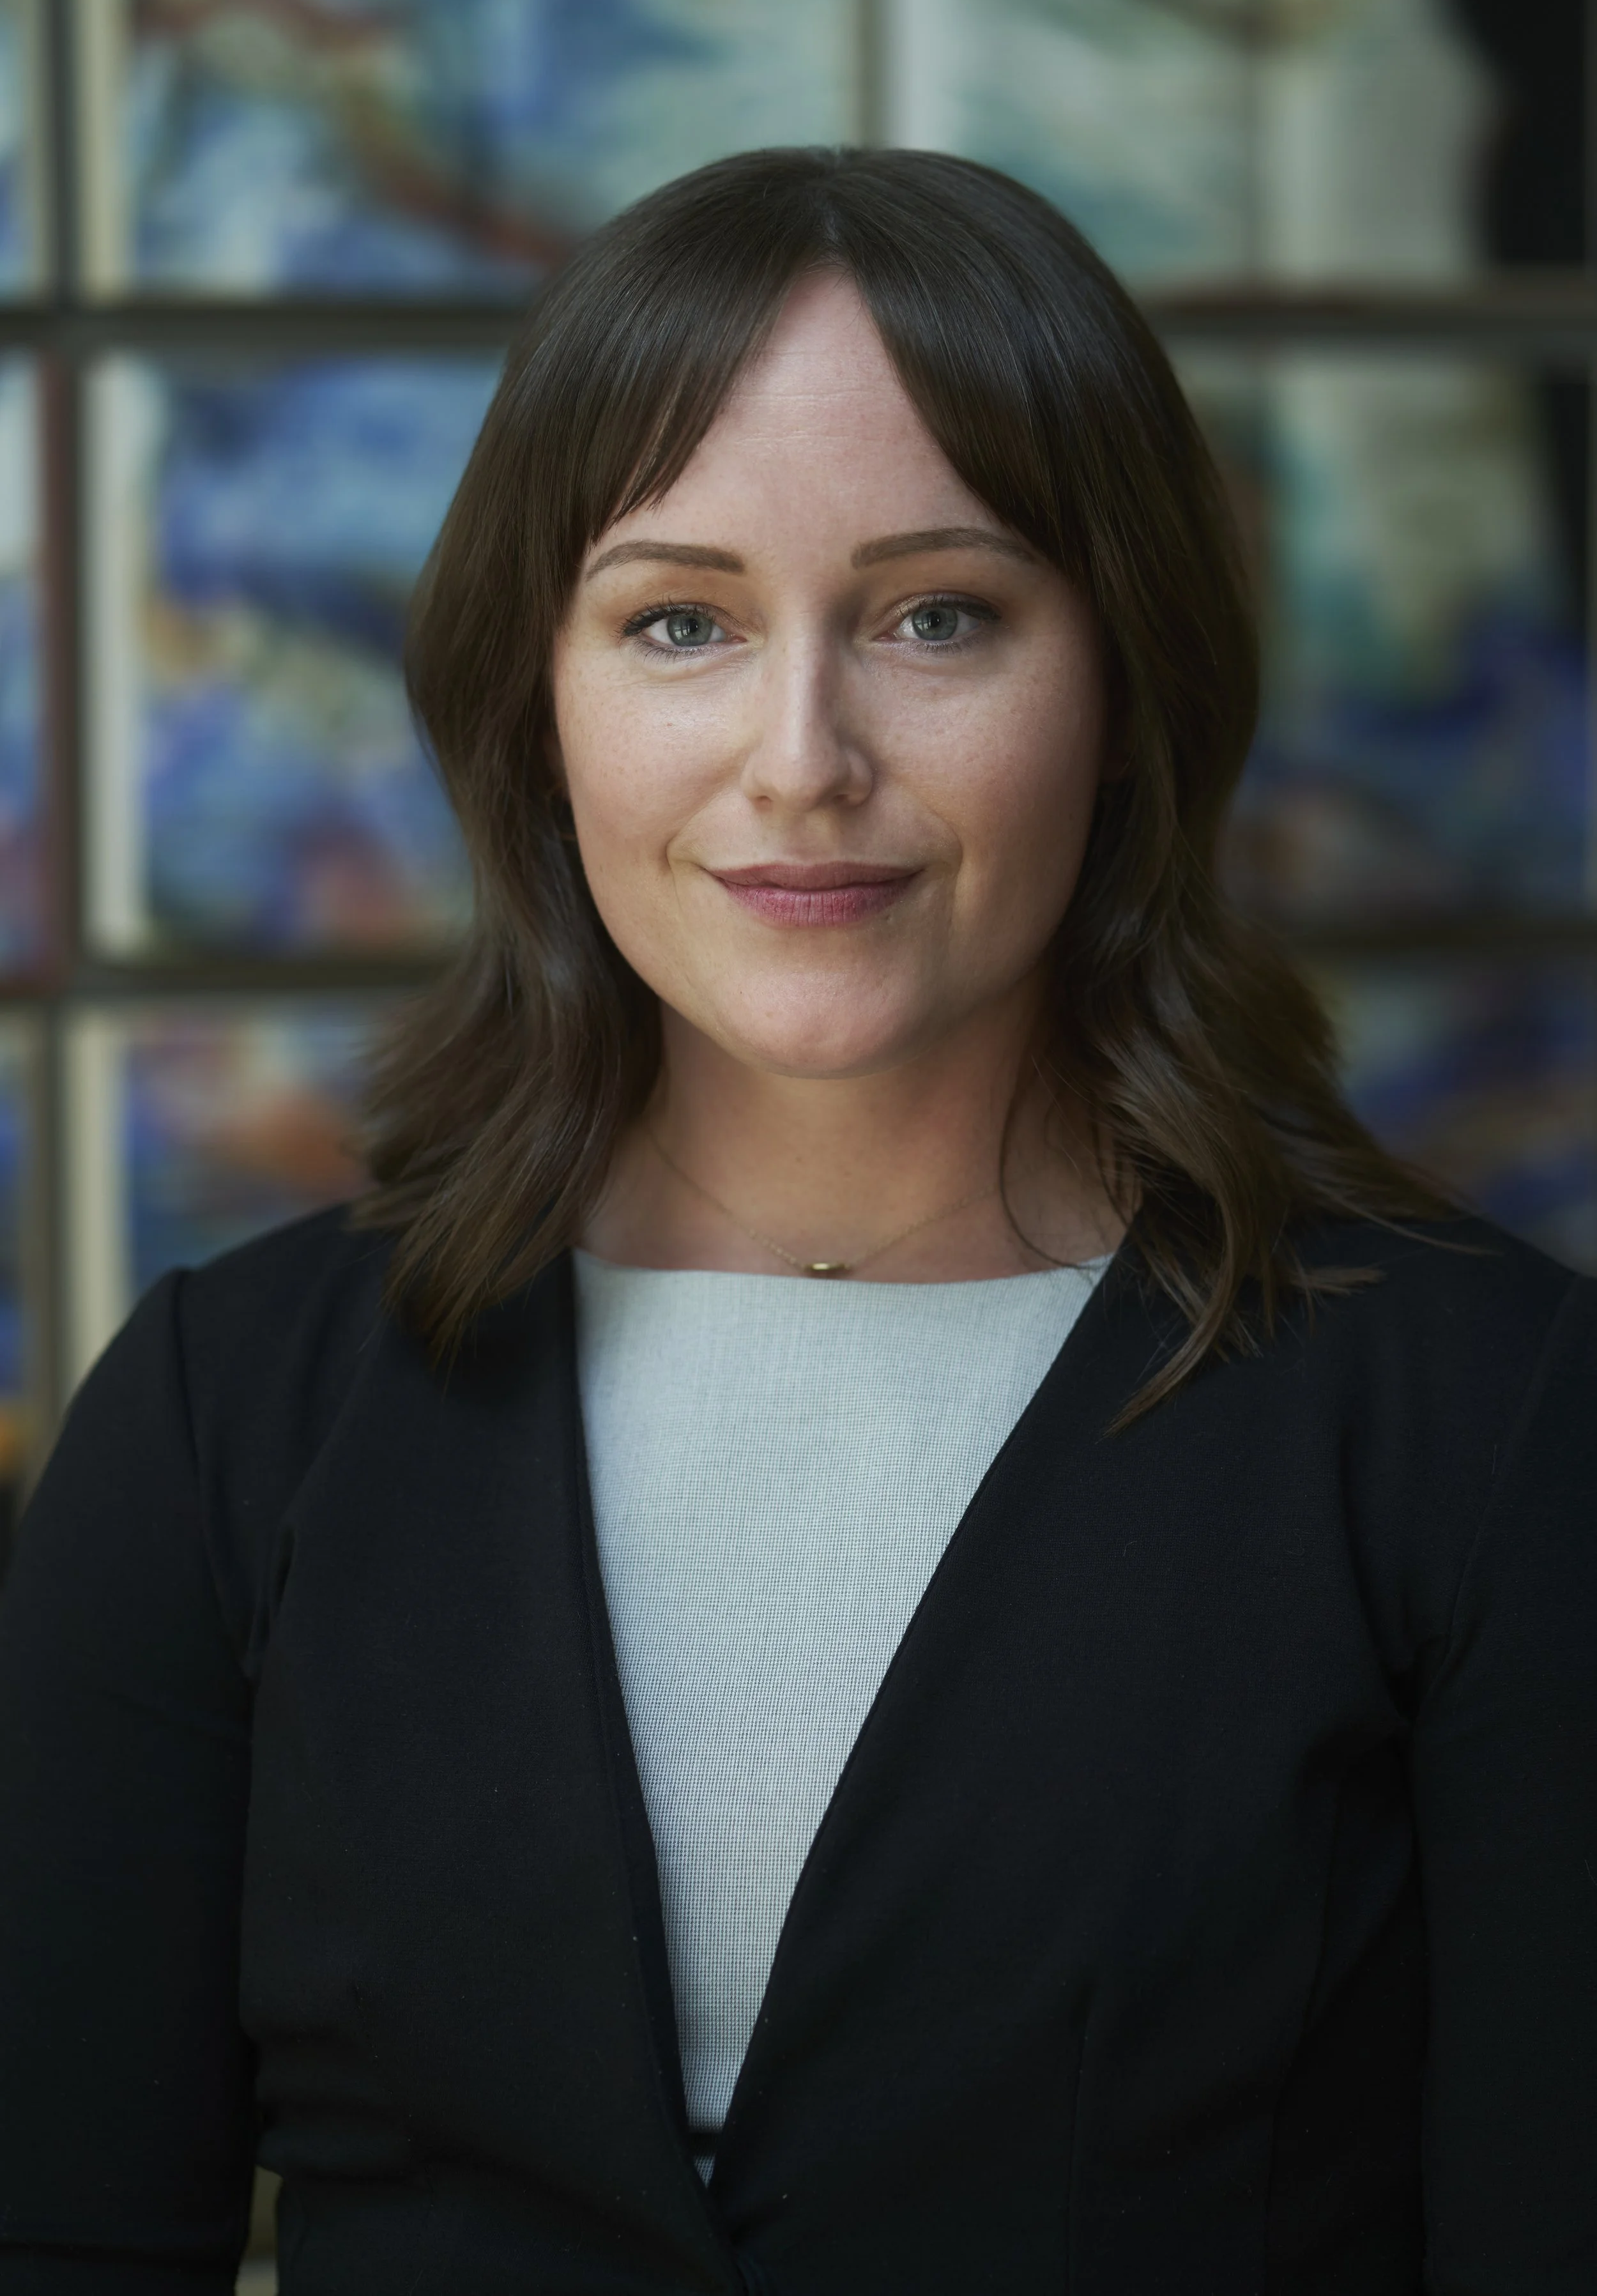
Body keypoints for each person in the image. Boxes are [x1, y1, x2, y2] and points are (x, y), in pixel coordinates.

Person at [1, 148, 1593, 2295]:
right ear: (533, 699)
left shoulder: (1491, 1423)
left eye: (940, 614)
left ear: (1120, 685)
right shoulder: (220, 1417)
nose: (799, 755)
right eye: (681, 621)